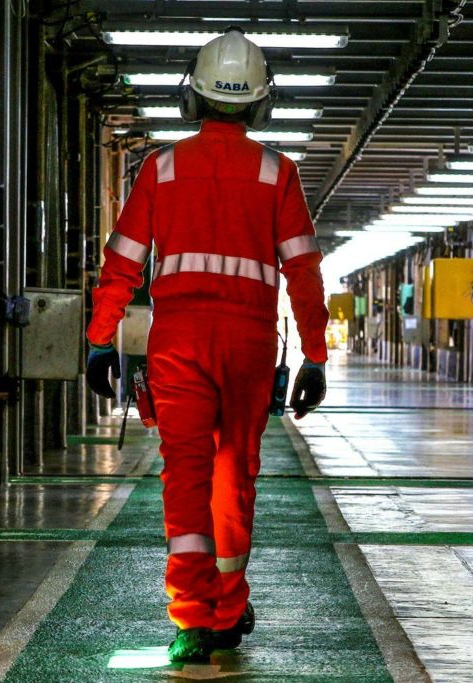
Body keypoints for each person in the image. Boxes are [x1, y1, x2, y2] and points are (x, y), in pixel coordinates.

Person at [84, 28, 329, 663]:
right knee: (234, 474)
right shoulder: (278, 172)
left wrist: (101, 340)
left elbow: (123, 263)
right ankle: (227, 606)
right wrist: (314, 354)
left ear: (192, 98)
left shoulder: (161, 169)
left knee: (186, 476)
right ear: (259, 102)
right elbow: (303, 271)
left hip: (179, 343)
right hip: (248, 345)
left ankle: (192, 617)